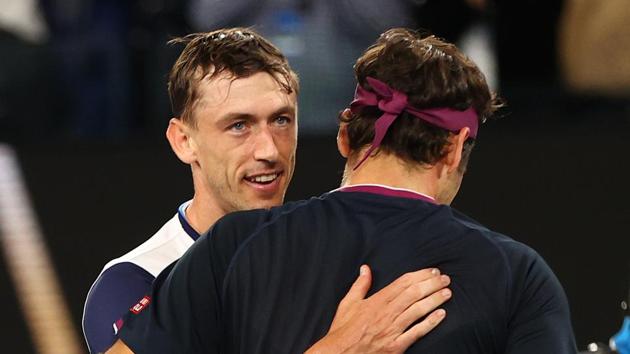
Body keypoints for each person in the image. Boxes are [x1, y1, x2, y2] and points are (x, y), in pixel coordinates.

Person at [111, 28, 578, 353]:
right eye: (238, 125)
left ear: (345, 136)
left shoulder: (232, 246)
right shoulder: (518, 276)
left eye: (280, 121)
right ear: (455, 150)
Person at [83, 27, 450, 354]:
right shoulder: (135, 280)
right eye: (239, 125)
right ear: (183, 141)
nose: (269, 151)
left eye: (281, 120)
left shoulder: (341, 252)